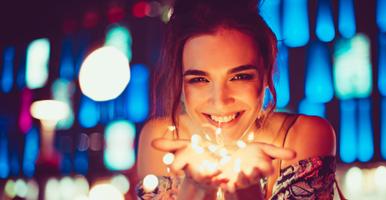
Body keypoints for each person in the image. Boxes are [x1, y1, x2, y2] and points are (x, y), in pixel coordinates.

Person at [136, 0, 344, 199]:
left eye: (239, 77)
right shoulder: (161, 138)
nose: (220, 101)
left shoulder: (302, 137)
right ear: (180, 82)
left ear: (266, 75)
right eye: (199, 79)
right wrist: (194, 191)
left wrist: (247, 193)